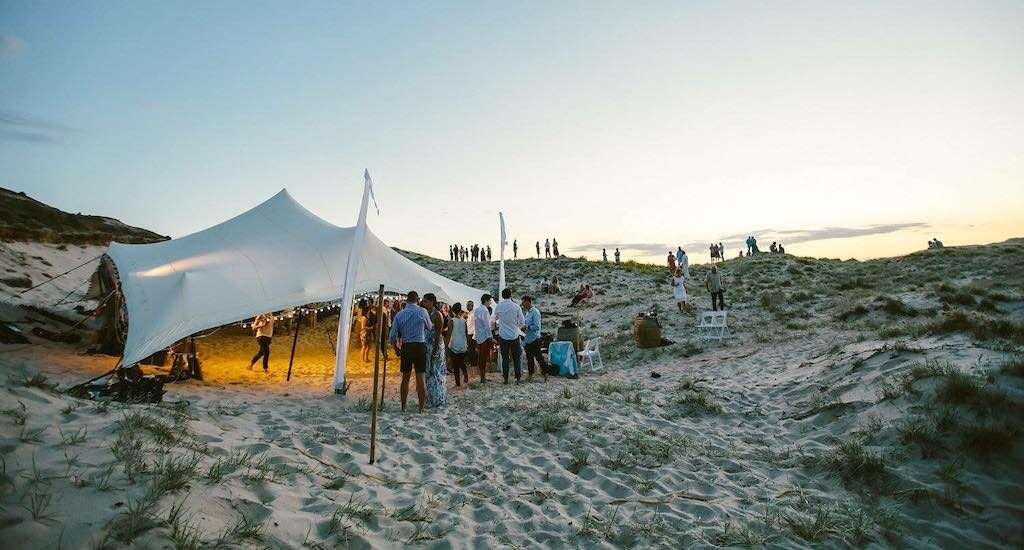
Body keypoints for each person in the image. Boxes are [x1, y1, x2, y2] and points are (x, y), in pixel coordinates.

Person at [389, 291, 432, 413]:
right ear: (417, 300)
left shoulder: (400, 314)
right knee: (421, 378)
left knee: (405, 378)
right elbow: (429, 327)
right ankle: (421, 408)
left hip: (406, 347)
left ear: (407, 300)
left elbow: (392, 336)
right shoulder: (423, 312)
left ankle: (403, 407)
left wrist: (396, 348)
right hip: (420, 346)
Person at [493, 288, 525, 384]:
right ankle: (518, 378)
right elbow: (522, 322)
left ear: (502, 296)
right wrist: (516, 327)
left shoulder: (499, 307)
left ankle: (506, 379)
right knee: (516, 358)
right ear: (511, 295)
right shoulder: (516, 307)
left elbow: (495, 319)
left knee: (505, 359)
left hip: (503, 336)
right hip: (514, 336)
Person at [422, 293, 448, 407]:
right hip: (426, 345)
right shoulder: (425, 313)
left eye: (426, 301)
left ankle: (438, 398)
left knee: (436, 373)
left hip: (435, 345)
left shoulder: (438, 315)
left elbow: (438, 334)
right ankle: (430, 398)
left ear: (432, 302)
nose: (424, 303)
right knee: (428, 372)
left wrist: (436, 349)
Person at [521, 295, 548, 381]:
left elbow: (537, 326)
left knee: (539, 358)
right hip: (528, 339)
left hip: (535, 338)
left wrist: (528, 327)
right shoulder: (528, 313)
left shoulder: (535, 312)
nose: (522, 305)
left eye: (523, 302)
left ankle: (546, 374)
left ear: (528, 302)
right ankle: (531, 375)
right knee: (529, 359)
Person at [471, 293, 495, 382]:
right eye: (489, 301)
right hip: (485, 337)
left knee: (480, 357)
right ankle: (482, 377)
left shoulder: (476, 309)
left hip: (478, 336)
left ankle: (482, 376)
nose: (490, 303)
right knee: (483, 357)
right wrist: (491, 337)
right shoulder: (485, 310)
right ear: (486, 301)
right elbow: (487, 326)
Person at [447, 302, 469, 386]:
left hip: (454, 344)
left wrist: (446, 344)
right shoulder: (464, 321)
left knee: (455, 364)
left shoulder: (451, 321)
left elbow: (449, 334)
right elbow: (466, 333)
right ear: (460, 310)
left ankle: (458, 382)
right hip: (463, 344)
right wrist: (467, 344)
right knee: (461, 362)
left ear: (452, 311)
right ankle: (465, 373)